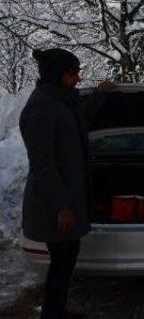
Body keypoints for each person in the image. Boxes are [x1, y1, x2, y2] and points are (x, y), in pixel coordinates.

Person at [20, 48, 113, 319]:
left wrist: (100, 94)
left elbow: (79, 121)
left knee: (65, 260)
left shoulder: (61, 101)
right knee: (62, 261)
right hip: (52, 204)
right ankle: (52, 313)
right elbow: (42, 165)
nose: (78, 77)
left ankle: (55, 310)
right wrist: (62, 206)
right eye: (73, 73)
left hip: (64, 197)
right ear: (57, 75)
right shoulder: (41, 109)